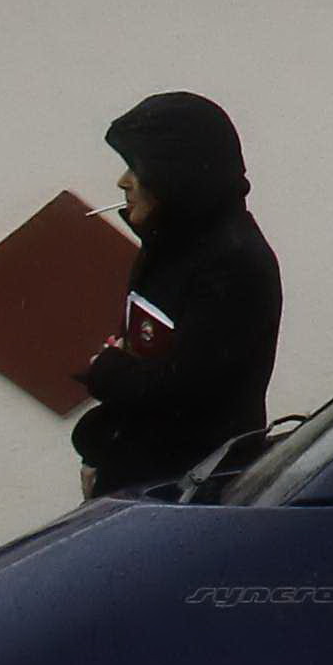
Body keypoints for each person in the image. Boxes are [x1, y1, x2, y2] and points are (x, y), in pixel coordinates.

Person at [73, 91, 285, 494]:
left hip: (187, 495)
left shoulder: (234, 262)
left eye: (137, 168)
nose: (122, 181)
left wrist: (108, 371)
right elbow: (147, 352)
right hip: (141, 483)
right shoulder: (171, 243)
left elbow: (184, 390)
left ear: (177, 173)